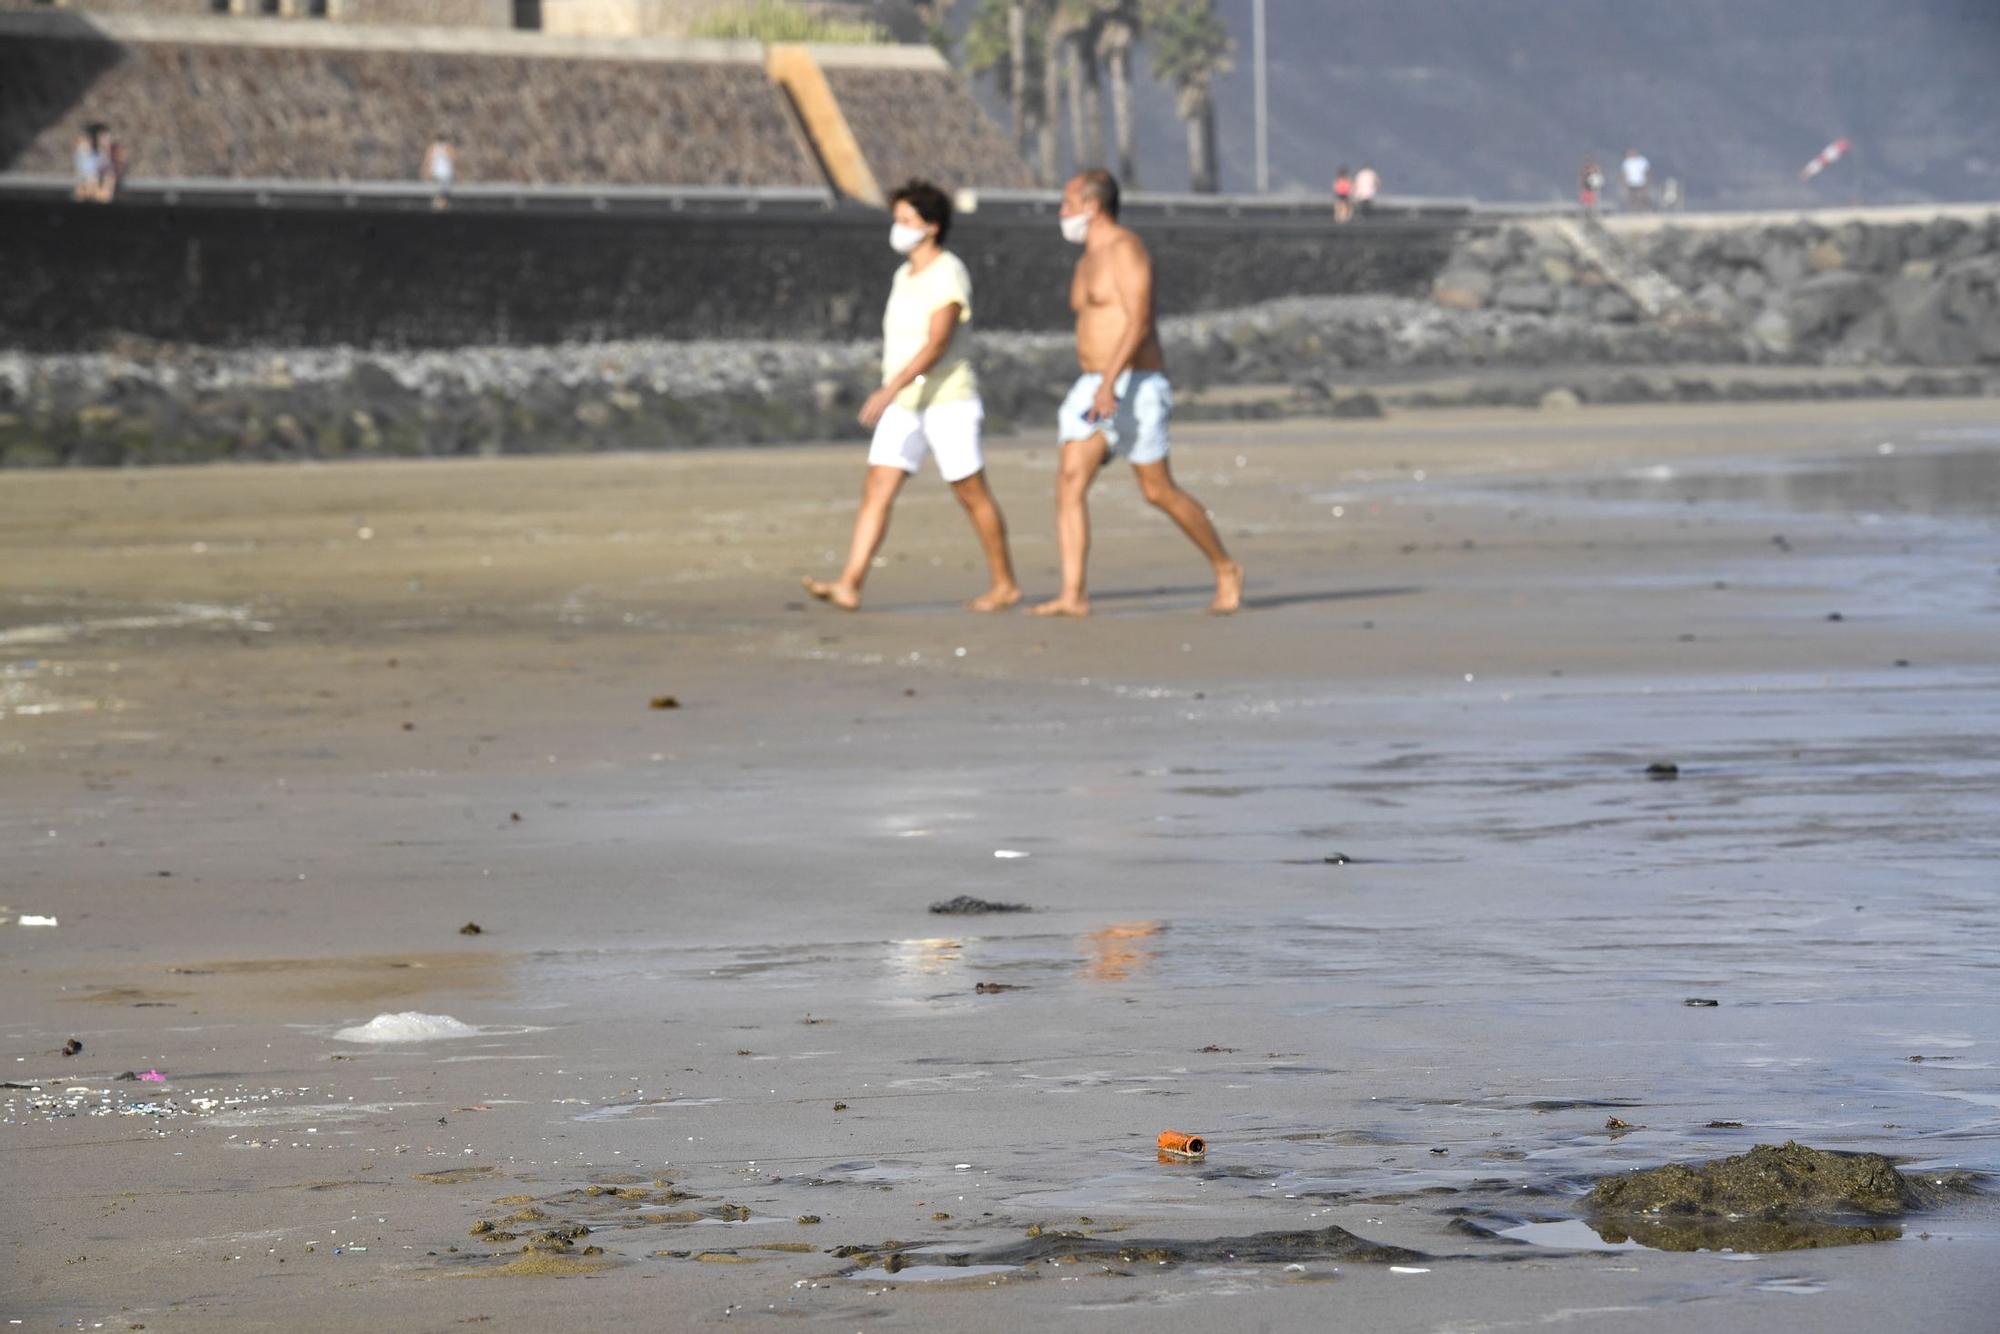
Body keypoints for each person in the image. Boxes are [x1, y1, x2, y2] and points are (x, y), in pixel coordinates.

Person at [1032, 169, 1242, 618]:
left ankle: (1225, 567)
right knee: (1070, 481)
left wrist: (1110, 384)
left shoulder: (1125, 249)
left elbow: (1138, 320)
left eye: (1068, 202)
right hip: (1091, 385)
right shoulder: (1084, 260)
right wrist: (1098, 384)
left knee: (1157, 490)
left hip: (1134, 383)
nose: (1061, 212)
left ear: (1092, 206)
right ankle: (1073, 593)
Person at [802, 179, 1019, 613]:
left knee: (970, 491)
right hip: (904, 405)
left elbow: (938, 342)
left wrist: (889, 388)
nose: (898, 228)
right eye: (896, 219)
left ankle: (1004, 583)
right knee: (877, 488)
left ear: (932, 227)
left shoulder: (948, 272)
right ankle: (850, 583)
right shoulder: (904, 274)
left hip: (947, 400)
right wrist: (895, 392)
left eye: (907, 220)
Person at [423, 135, 456, 210]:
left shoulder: (434, 147)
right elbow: (455, 158)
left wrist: (426, 171)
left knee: (440, 192)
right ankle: (441, 206)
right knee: (442, 192)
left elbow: (427, 160)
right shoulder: (447, 147)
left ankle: (441, 206)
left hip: (439, 173)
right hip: (445, 173)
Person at [73, 125, 101, 202]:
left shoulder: (96, 155)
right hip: (84, 177)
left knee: (92, 182)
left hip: (91, 178)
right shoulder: (80, 153)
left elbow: (95, 171)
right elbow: (79, 170)